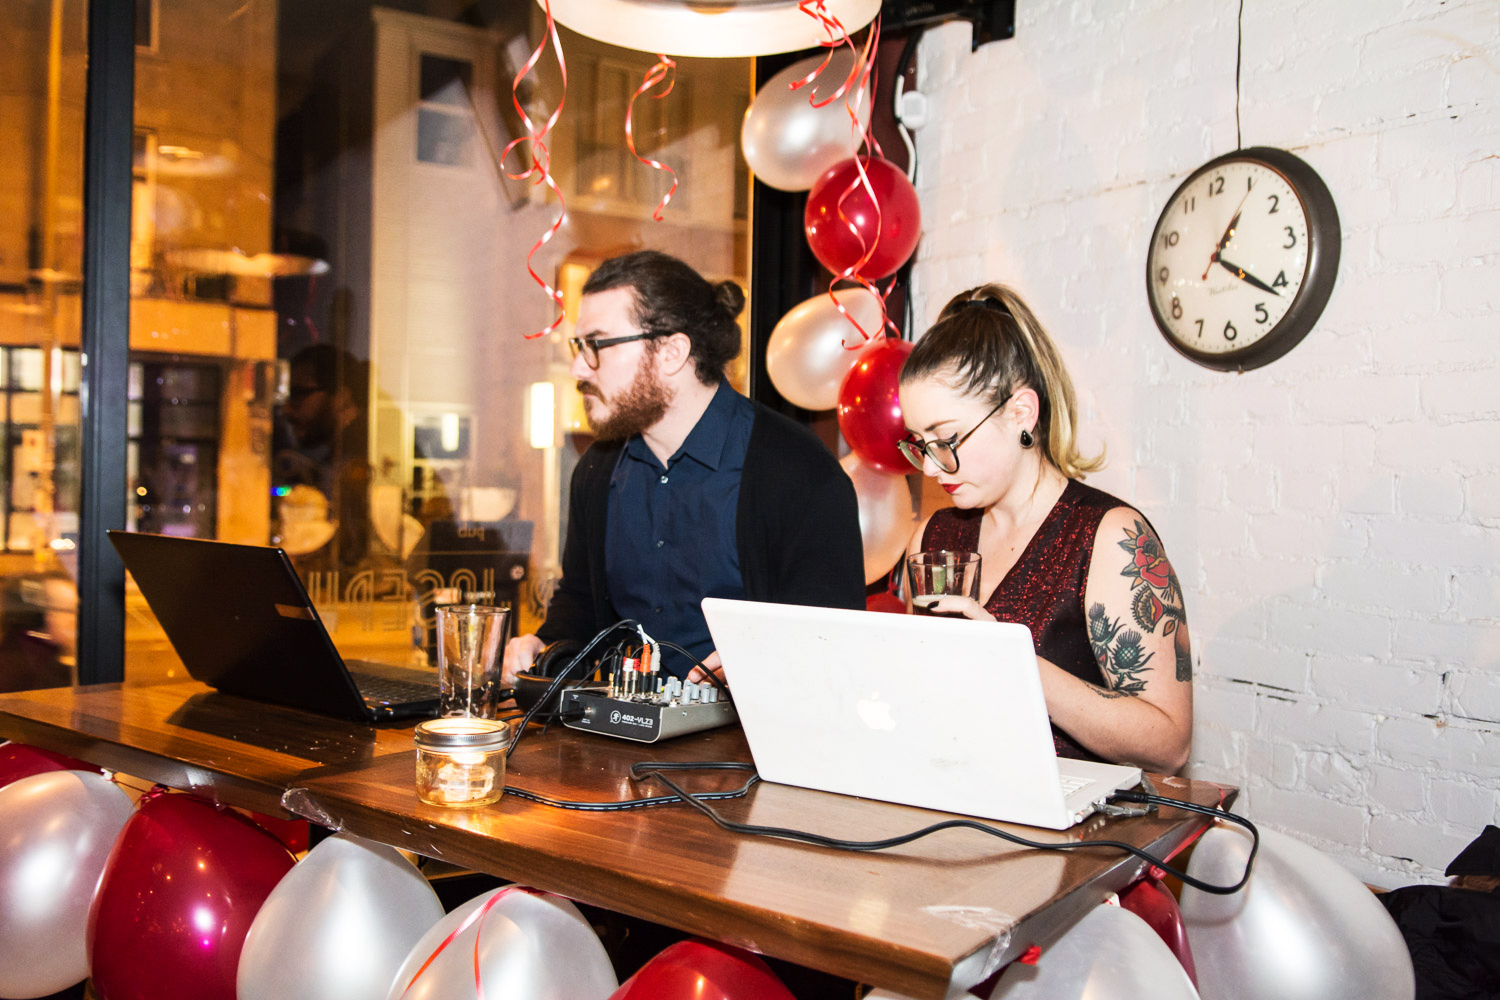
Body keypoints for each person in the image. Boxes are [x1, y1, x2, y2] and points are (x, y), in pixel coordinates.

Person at [503, 250, 865, 685]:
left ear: (672, 352)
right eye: (579, 346)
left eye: (597, 345)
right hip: (614, 724)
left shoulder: (798, 473)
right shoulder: (597, 471)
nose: (579, 367)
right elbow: (579, 603)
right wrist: (543, 646)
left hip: (751, 729)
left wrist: (760, 661)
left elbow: (833, 644)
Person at [897, 285, 1193, 774]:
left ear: (1021, 412)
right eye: (920, 443)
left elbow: (1168, 746)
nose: (931, 467)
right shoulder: (932, 540)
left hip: (1077, 816)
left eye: (947, 439)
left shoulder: (1111, 538)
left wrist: (1014, 663)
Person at [273, 343, 371, 571]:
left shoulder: (359, 460)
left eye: (299, 395)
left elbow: (352, 552)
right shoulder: (339, 455)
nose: (286, 410)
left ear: (342, 397)